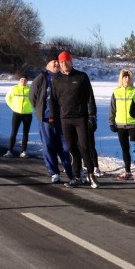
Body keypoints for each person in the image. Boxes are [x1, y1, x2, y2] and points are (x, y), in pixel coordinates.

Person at [51, 51, 100, 188]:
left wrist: (92, 116)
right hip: (65, 119)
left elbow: (90, 98)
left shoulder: (81, 76)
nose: (64, 64)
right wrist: (52, 119)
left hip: (81, 118)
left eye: (66, 61)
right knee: (72, 148)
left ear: (71, 62)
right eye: (61, 62)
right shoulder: (56, 79)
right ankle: (76, 176)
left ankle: (91, 174)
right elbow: (53, 101)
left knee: (84, 147)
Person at [30, 52, 74, 184]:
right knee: (49, 146)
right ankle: (54, 172)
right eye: (53, 61)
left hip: (63, 118)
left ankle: (70, 170)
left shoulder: (63, 77)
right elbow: (33, 97)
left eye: (57, 61)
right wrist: (41, 110)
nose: (56, 64)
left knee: (66, 146)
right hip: (46, 119)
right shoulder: (41, 78)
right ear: (47, 64)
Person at [109, 69, 135, 180]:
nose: (127, 79)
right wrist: (111, 122)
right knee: (124, 149)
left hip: (133, 124)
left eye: (129, 77)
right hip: (120, 124)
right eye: (125, 77)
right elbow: (112, 109)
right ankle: (127, 171)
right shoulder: (116, 92)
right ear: (121, 79)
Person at [4, 77, 33, 158]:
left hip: (27, 113)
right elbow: (7, 98)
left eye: (25, 80)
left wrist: (32, 107)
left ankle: (23, 151)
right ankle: (9, 150)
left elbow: (35, 99)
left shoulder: (30, 89)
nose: (23, 81)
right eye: (21, 79)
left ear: (27, 81)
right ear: (19, 80)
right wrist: (13, 107)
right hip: (17, 113)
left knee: (25, 133)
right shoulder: (14, 88)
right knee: (14, 132)